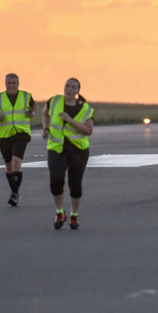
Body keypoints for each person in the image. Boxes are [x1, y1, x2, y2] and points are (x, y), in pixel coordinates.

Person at [43, 78, 94, 230]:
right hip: (56, 148)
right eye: (67, 86)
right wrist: (46, 128)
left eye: (73, 87)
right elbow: (45, 114)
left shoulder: (84, 108)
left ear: (78, 91)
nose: (69, 89)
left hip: (78, 150)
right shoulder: (54, 101)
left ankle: (74, 215)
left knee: (75, 184)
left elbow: (88, 131)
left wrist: (70, 120)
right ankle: (60, 212)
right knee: (56, 180)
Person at [0, 73, 34, 206]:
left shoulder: (26, 96)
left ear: (18, 84)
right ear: (5, 84)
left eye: (14, 83)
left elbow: (33, 107)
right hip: (5, 135)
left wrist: (32, 113)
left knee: (16, 161)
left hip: (21, 133)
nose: (11, 85)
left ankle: (14, 194)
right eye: (9, 83)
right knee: (8, 167)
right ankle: (15, 193)